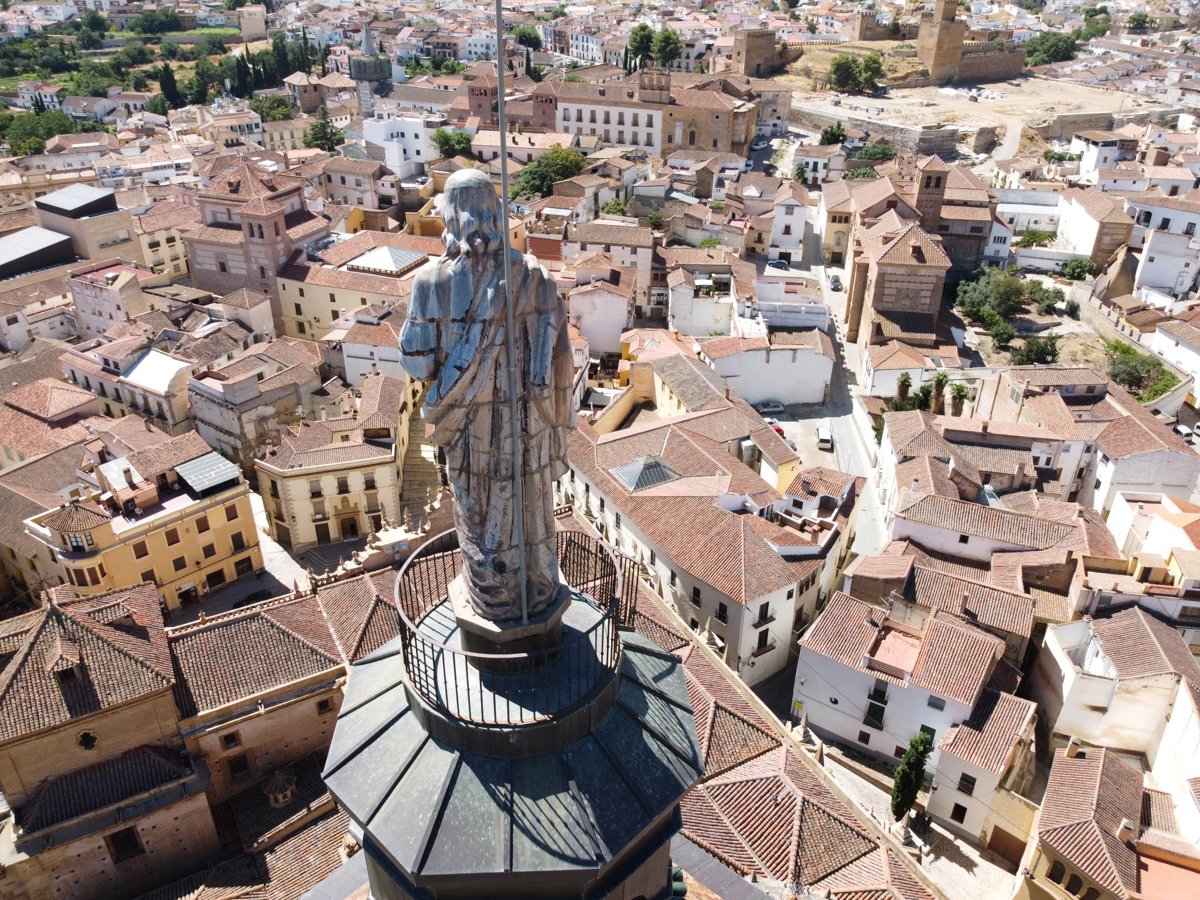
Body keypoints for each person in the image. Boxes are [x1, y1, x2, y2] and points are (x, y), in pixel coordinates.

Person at [399, 169, 574, 621]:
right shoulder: (533, 276)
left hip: (467, 433)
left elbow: (416, 362)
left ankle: (490, 598)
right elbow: (559, 357)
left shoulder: (430, 284)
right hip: (527, 426)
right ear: (494, 214)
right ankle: (536, 589)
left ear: (450, 217)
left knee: (473, 507)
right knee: (530, 506)